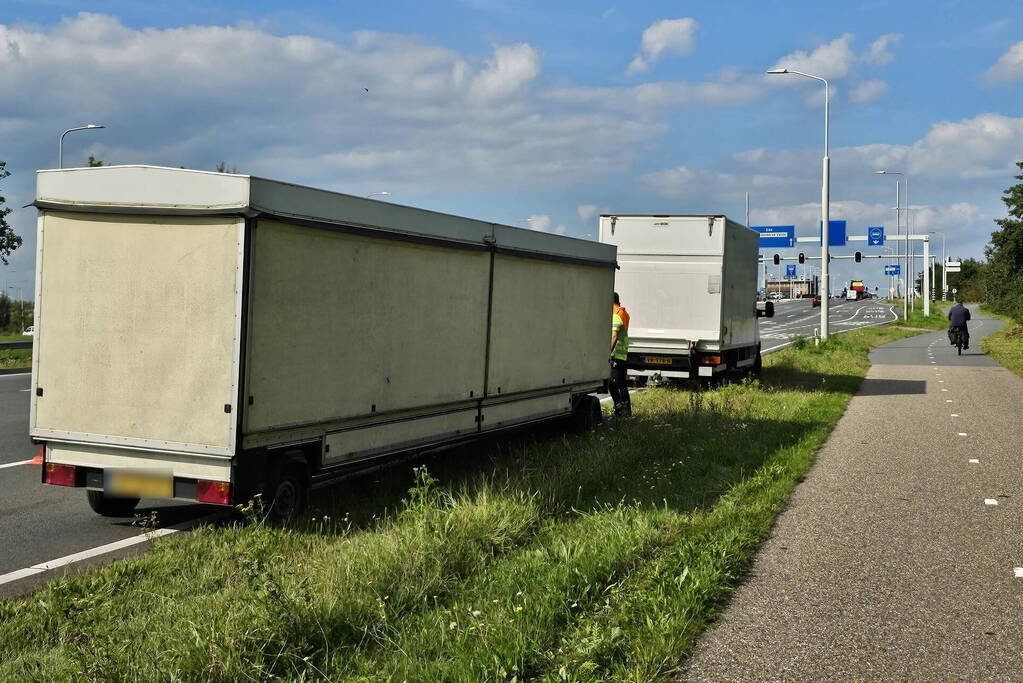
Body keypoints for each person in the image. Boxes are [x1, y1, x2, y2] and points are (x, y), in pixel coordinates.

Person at [610, 292, 632, 417]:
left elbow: (614, 335)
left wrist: (608, 353)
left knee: (614, 383)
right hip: (622, 355)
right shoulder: (624, 313)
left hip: (616, 354)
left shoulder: (616, 315)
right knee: (622, 384)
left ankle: (620, 410)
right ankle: (626, 411)